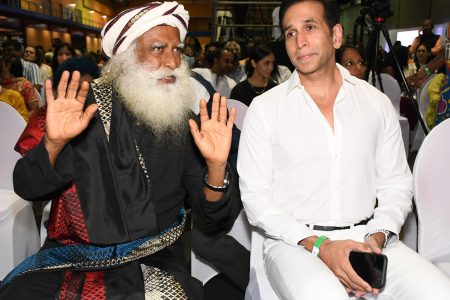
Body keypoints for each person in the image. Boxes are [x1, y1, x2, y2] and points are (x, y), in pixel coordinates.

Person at [0, 2, 241, 299]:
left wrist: (216, 167)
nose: (172, 61)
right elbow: (27, 187)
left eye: (176, 49)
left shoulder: (186, 125)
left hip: (154, 259)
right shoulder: (80, 110)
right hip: (72, 258)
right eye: (157, 49)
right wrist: (54, 143)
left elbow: (213, 221)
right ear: (126, 58)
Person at [237, 1, 450, 299]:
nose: (300, 41)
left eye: (310, 27)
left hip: (369, 238)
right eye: (290, 33)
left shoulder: (375, 103)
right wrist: (320, 245)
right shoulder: (265, 109)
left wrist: (377, 236)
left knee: (438, 291)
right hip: (296, 244)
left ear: (336, 35)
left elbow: (396, 184)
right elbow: (255, 197)